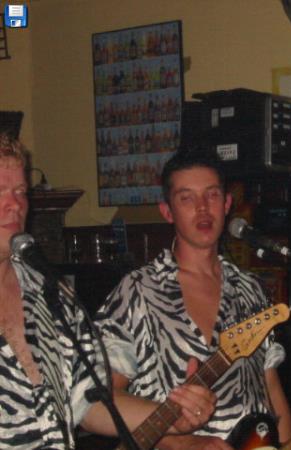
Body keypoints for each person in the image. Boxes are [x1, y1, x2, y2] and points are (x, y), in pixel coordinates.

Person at [0, 134, 215, 449]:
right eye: (0, 191)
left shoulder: (50, 292)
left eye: (20, 191)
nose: (15, 204)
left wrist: (170, 418)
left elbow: (87, 404)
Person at [96, 149, 291, 449]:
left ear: (227, 204)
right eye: (187, 198)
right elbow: (101, 401)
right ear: (167, 211)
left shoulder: (250, 288)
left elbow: (271, 388)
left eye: (212, 195)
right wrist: (181, 442)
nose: (202, 208)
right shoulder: (137, 291)